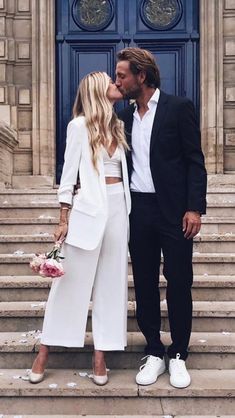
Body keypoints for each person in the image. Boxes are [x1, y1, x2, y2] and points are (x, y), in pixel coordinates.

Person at [29, 71, 131, 385]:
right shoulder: (79, 126)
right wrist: (63, 218)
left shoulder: (119, 126)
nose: (116, 84)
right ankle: (44, 351)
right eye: (110, 82)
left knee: (112, 286)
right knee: (69, 286)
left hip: (119, 210)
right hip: (89, 211)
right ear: (98, 91)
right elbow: (68, 174)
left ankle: (100, 355)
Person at [116, 48, 207, 388]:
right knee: (143, 282)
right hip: (138, 211)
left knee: (179, 280)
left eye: (123, 75)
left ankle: (179, 353)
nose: (117, 80)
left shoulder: (178, 108)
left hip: (175, 211)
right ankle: (154, 349)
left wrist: (195, 207)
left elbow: (194, 160)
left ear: (142, 76)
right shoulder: (121, 118)